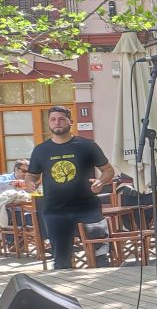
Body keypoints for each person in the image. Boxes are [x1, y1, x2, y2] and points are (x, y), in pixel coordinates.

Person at [24, 106, 115, 269]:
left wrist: (101, 182)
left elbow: (108, 170)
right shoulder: (41, 150)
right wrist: (30, 182)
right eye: (53, 119)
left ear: (70, 122)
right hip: (55, 211)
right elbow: (32, 175)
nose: (57, 122)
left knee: (100, 257)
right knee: (61, 260)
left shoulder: (87, 145)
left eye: (61, 119)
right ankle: (63, 284)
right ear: (49, 123)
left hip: (88, 208)